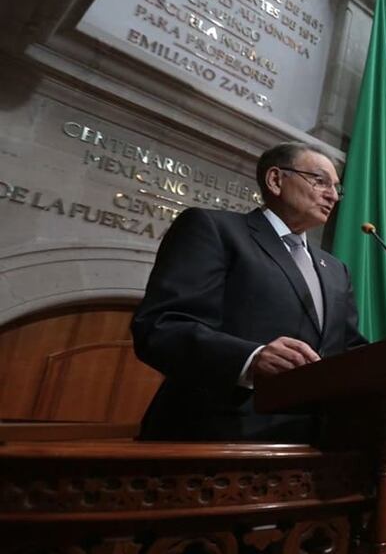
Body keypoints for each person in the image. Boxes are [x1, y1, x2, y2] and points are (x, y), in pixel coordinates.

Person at [131, 142, 367, 442]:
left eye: (336, 188)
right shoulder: (214, 229)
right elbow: (160, 327)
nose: (332, 195)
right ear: (276, 180)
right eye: (320, 181)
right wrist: (251, 358)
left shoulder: (335, 269)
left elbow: (349, 350)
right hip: (218, 436)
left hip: (314, 444)